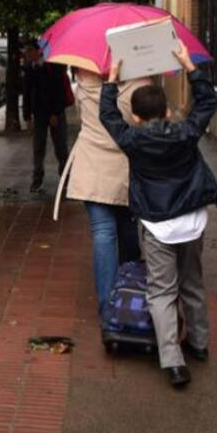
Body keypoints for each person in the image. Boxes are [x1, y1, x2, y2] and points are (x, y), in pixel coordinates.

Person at [99, 42, 217, 388]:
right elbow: (208, 102)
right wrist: (189, 67)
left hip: (157, 225)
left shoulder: (133, 140)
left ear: (135, 117)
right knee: (192, 283)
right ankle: (199, 344)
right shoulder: (186, 133)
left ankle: (173, 362)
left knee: (161, 291)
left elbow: (107, 116)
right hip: (192, 221)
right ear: (167, 111)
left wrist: (111, 81)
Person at [64, 65, 148, 330]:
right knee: (127, 229)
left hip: (91, 165)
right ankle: (130, 294)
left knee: (102, 233)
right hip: (126, 167)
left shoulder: (83, 79)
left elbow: (82, 115)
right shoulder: (141, 80)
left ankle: (107, 311)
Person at [23, 41, 73, 192]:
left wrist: (55, 113)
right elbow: (26, 94)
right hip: (39, 114)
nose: (28, 54)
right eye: (26, 51)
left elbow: (57, 91)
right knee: (38, 147)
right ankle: (37, 179)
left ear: (39, 51)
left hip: (55, 114)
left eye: (30, 51)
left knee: (61, 148)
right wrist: (27, 116)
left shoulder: (52, 66)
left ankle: (65, 180)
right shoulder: (30, 68)